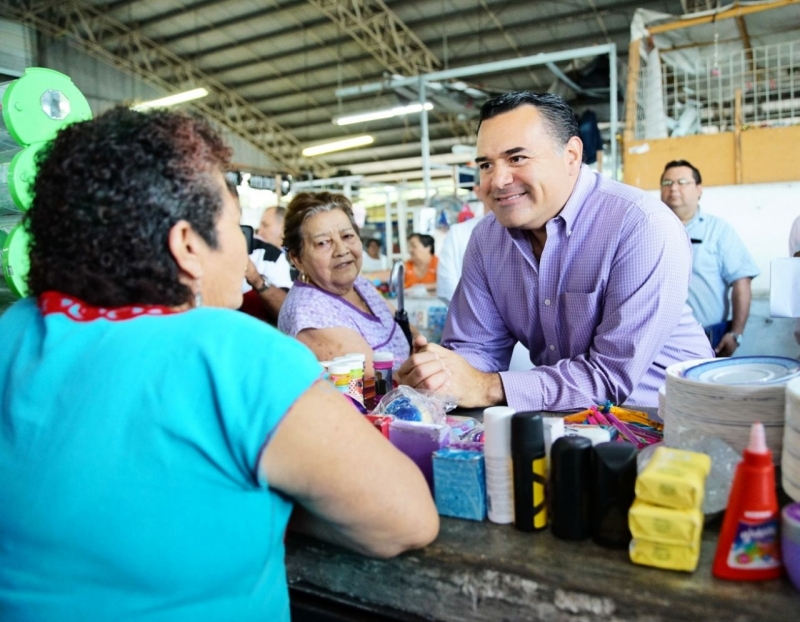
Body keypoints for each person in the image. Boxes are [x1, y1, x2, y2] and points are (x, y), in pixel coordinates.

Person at [0, 108, 438, 621]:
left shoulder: (15, 331)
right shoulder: (234, 354)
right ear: (188, 246)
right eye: (236, 225)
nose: (248, 248)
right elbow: (406, 520)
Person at [398, 91, 712, 411]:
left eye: (517, 158)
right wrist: (440, 375)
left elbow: (610, 378)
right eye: (486, 165)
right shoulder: (486, 240)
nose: (498, 180)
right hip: (568, 423)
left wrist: (486, 386)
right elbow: (477, 349)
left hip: (670, 422)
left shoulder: (642, 226)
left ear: (572, 155)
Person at [278, 191, 412, 370]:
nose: (341, 250)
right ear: (297, 259)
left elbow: (410, 334)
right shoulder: (309, 313)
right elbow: (377, 381)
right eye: (323, 242)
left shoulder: (359, 284)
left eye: (347, 236)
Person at [660, 160, 759, 356]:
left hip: (709, 338)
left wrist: (736, 333)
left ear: (699, 189)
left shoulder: (719, 230)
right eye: (667, 183)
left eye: (682, 182)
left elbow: (741, 282)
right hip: (661, 339)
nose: (674, 188)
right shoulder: (650, 228)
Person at [240, 204, 293, 324]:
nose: (260, 231)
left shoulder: (278, 258)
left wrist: (256, 280)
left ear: (284, 230)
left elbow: (286, 312)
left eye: (265, 225)